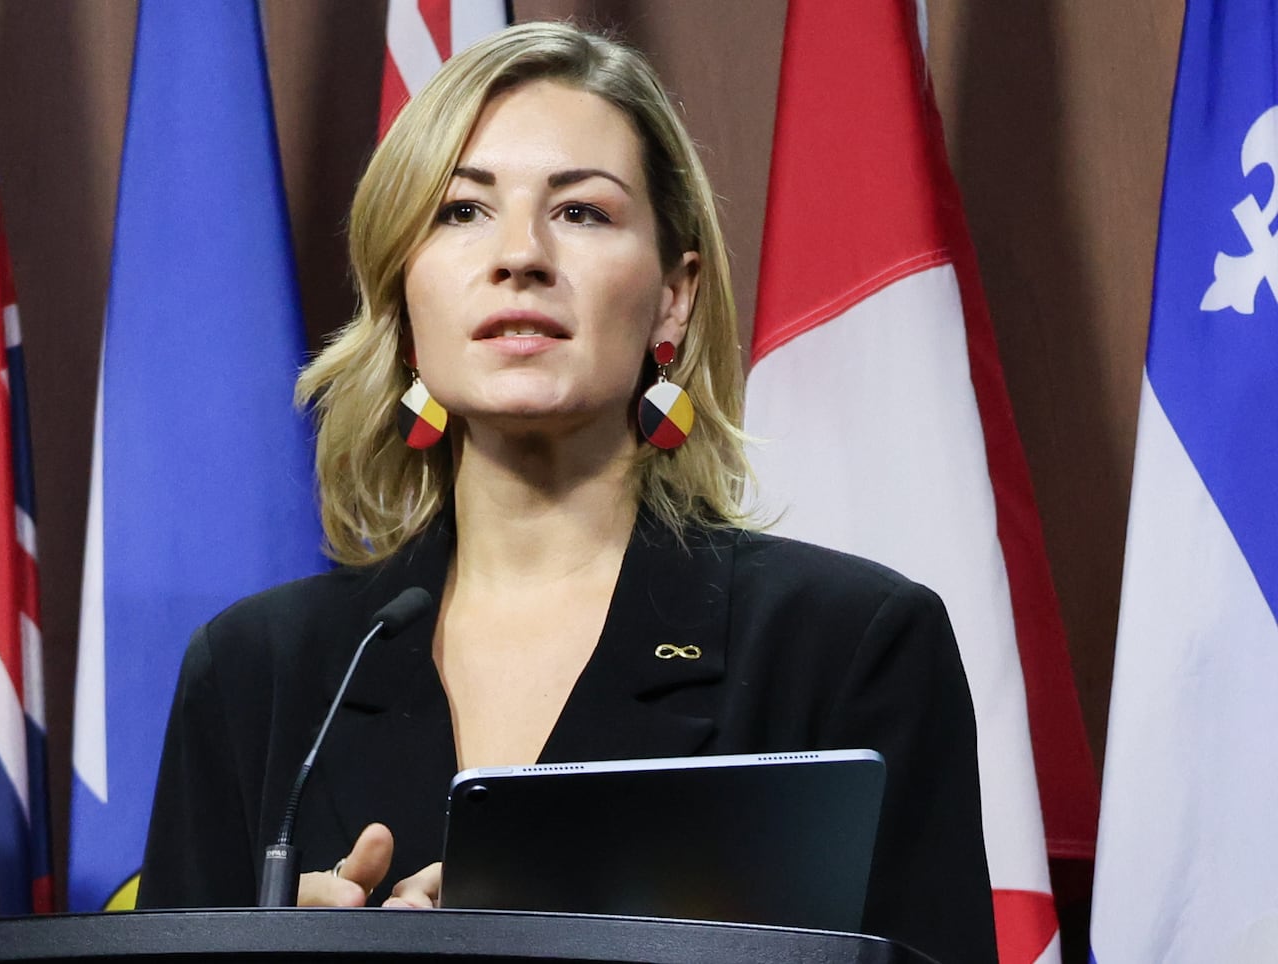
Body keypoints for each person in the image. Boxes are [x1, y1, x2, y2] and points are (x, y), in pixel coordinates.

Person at [137, 20, 998, 964]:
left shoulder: (849, 646)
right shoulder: (256, 673)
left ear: (674, 295)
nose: (521, 255)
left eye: (581, 212)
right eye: (461, 212)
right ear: (403, 294)